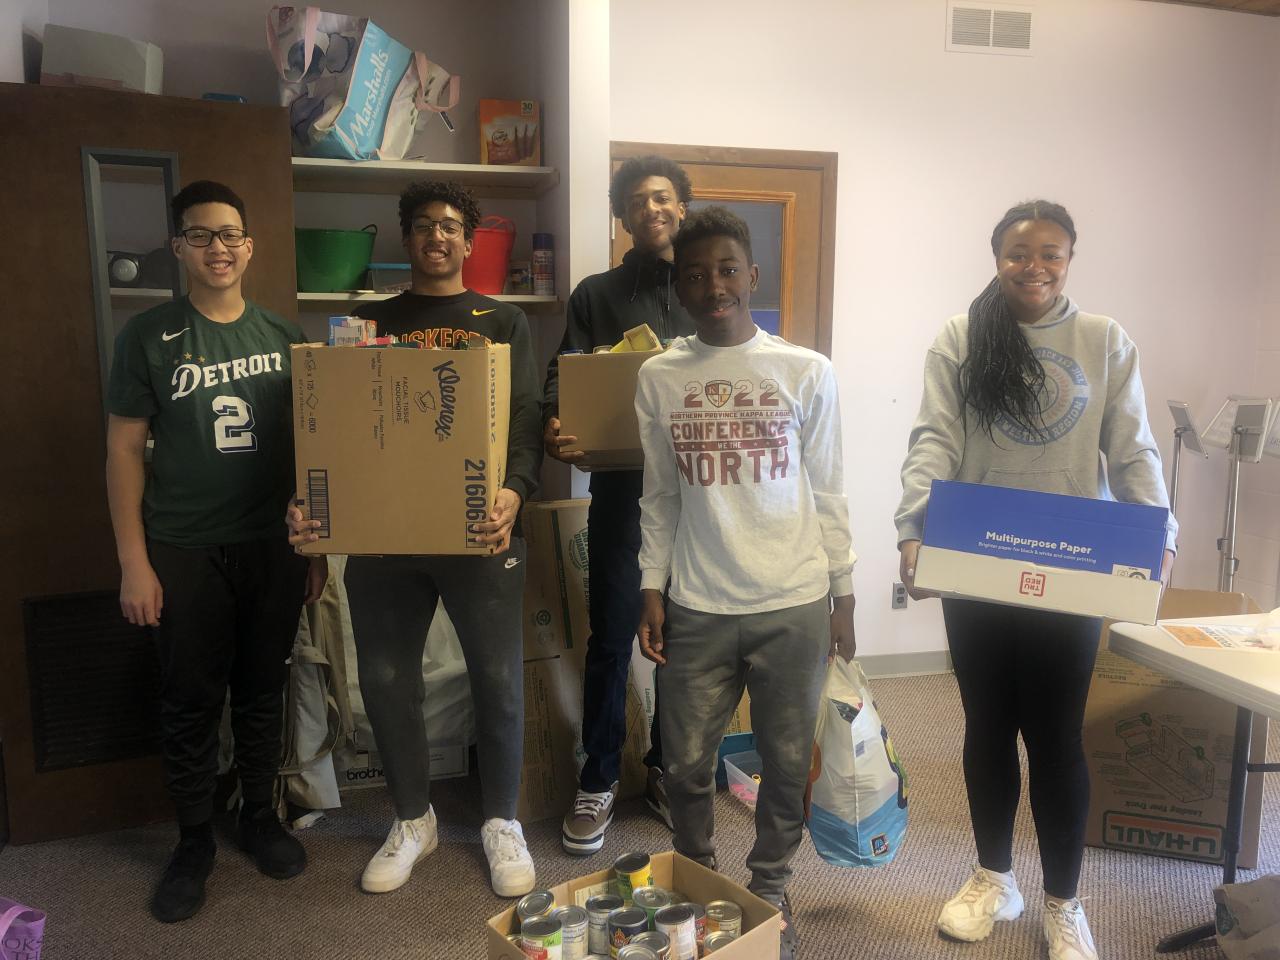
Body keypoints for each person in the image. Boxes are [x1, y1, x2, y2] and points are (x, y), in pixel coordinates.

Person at [895, 200, 1177, 960]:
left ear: (1070, 259)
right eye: (1019, 253)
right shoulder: (962, 336)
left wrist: (1158, 534)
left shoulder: (1104, 340)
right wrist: (913, 527)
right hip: (976, 554)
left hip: (1074, 562)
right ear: (997, 259)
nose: (1035, 267)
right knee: (986, 727)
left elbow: (1133, 447)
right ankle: (994, 877)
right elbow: (934, 437)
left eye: (1051, 253)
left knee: (1055, 738)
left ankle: (1062, 902)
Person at [288, 180, 541, 898]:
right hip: (385, 536)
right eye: (425, 225)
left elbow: (525, 418)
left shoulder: (503, 320)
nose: (438, 236)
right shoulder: (366, 323)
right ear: (407, 238)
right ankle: (412, 819)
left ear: (469, 241)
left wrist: (515, 492)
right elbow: (335, 423)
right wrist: (315, 503)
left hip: (480, 530)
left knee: (498, 679)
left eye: (451, 226)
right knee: (388, 679)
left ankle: (500, 821)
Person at [635, 207, 856, 960]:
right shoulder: (660, 377)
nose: (714, 286)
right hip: (697, 603)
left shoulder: (806, 371)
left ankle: (770, 888)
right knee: (684, 763)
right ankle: (696, 878)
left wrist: (844, 592)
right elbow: (660, 494)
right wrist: (651, 586)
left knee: (786, 763)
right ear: (679, 287)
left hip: (793, 602)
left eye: (728, 269)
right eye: (696, 274)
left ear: (752, 276)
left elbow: (830, 491)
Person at [105, 180, 326, 923]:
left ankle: (258, 815)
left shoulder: (285, 336)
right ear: (179, 248)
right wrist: (134, 562)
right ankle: (194, 840)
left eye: (229, 234)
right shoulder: (147, 336)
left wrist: (317, 545)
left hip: (272, 544)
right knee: (190, 699)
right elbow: (123, 451)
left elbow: (313, 449)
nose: (217, 247)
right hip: (183, 546)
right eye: (200, 235)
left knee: (263, 689)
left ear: (250, 246)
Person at [543, 155, 697, 854]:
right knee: (610, 636)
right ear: (623, 216)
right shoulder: (597, 294)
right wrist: (558, 425)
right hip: (621, 490)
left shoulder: (707, 285)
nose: (651, 208)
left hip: (699, 494)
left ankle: (667, 767)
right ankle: (599, 777)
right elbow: (564, 377)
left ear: (682, 206)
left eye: (662, 197)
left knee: (685, 640)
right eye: (637, 200)